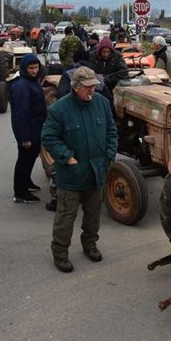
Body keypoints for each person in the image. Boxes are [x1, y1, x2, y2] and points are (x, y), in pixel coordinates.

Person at [42, 66, 118, 273]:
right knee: (66, 218)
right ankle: (60, 253)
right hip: (71, 175)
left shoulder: (102, 104)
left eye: (93, 86)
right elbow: (48, 137)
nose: (91, 90)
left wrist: (109, 155)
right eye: (87, 87)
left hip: (96, 173)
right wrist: (67, 157)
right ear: (75, 87)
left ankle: (90, 245)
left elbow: (112, 130)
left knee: (93, 216)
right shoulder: (59, 109)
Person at [9, 54, 48, 203]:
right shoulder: (22, 86)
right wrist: (25, 138)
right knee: (24, 160)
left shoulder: (33, 81)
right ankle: (20, 191)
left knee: (30, 158)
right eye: (31, 68)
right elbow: (21, 114)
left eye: (36, 67)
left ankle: (26, 182)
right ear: (25, 68)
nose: (34, 71)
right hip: (28, 130)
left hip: (36, 128)